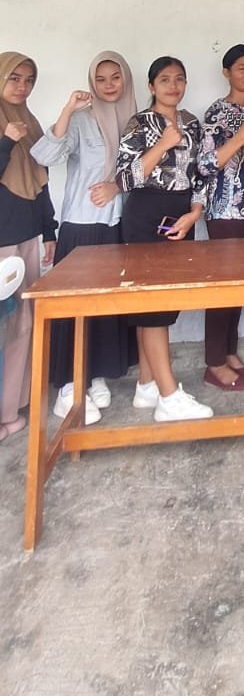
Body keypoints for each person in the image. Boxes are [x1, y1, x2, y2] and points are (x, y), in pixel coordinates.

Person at [31, 52, 137, 424]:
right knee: (74, 305)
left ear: (126, 80)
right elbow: (44, 155)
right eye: (101, 78)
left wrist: (117, 186)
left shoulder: (135, 120)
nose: (109, 85)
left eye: (115, 77)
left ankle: (94, 374)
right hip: (82, 224)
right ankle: (67, 385)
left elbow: (143, 169)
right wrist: (67, 109)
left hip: (117, 225)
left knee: (105, 306)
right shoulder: (81, 120)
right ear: (92, 82)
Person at [116, 56, 213, 423]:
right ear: (151, 86)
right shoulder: (140, 123)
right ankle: (170, 397)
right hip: (145, 215)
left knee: (162, 304)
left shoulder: (191, 123)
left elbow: (201, 174)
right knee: (152, 306)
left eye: (179, 79)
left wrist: (195, 213)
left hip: (181, 215)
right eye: (165, 79)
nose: (173, 86)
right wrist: (162, 144)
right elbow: (125, 178)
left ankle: (146, 385)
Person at [198, 44, 244, 392]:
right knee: (222, 287)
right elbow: (206, 164)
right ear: (226, 73)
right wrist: (242, 135)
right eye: (241, 68)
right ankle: (213, 364)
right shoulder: (217, 113)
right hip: (225, 210)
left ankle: (229, 352)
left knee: (240, 285)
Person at [0, 52, 56, 442]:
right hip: (1, 242)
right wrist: (6, 140)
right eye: (14, 78)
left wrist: (48, 230)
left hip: (26, 236)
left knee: (23, 322)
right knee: (2, 325)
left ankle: (10, 407)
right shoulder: (11, 129)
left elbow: (40, 181)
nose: (22, 86)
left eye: (29, 80)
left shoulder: (29, 123)